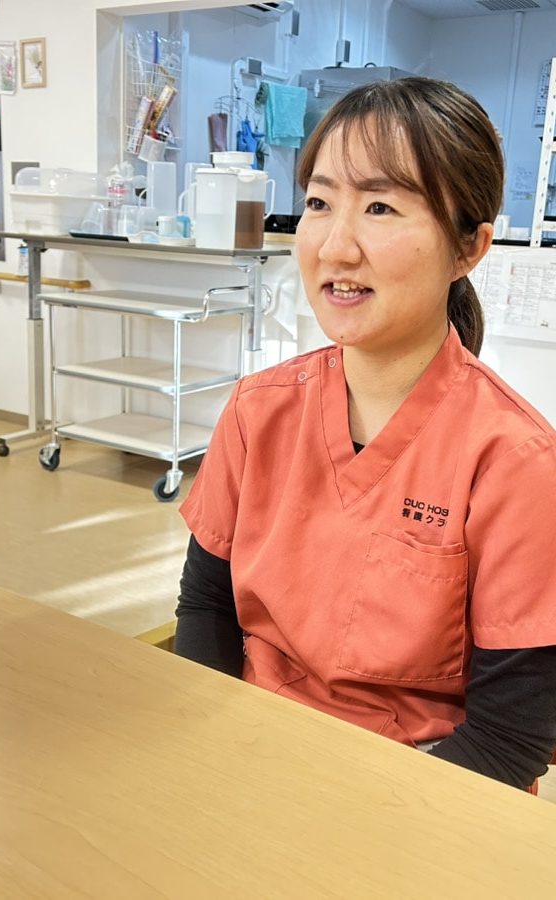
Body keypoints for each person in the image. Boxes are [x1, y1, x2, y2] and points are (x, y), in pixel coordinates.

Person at [174, 76, 556, 791]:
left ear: (469, 248)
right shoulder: (260, 409)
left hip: (420, 789)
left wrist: (360, 818)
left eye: (380, 207)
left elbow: (511, 738)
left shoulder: (516, 461)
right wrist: (215, 758)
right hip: (248, 750)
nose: (335, 246)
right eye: (320, 203)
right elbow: (206, 607)